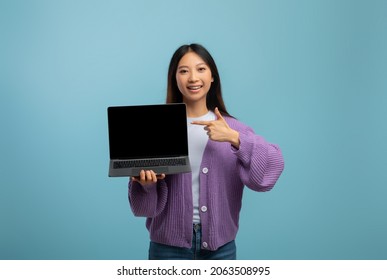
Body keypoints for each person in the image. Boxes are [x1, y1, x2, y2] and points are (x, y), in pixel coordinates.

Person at [128, 43, 284, 260]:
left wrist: (234, 138)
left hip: (221, 249)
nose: (193, 78)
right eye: (184, 71)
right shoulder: (157, 129)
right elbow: (144, 209)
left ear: (212, 77)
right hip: (167, 248)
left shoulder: (233, 128)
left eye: (201, 69)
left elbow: (270, 171)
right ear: (175, 78)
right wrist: (147, 186)